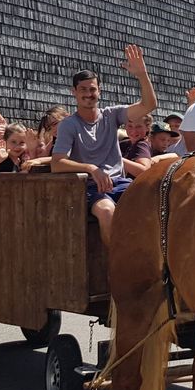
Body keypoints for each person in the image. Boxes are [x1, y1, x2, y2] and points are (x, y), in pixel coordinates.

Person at [51, 43, 158, 246]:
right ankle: (116, 268)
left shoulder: (112, 114)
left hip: (120, 183)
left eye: (92, 89)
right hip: (91, 188)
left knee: (156, 205)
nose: (88, 94)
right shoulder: (68, 125)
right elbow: (57, 163)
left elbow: (149, 105)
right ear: (74, 92)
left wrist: (142, 75)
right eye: (83, 89)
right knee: (107, 212)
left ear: (99, 91)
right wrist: (92, 169)